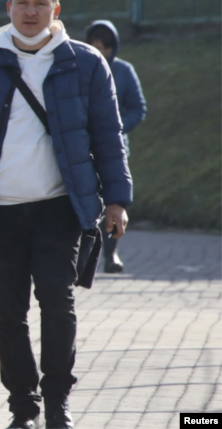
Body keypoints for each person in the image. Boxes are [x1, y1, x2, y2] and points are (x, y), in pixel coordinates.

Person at [0, 0, 132, 429]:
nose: (30, 11)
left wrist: (117, 200)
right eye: (21, 3)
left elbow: (109, 137)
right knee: (8, 312)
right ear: (8, 9)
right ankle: (23, 408)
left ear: (55, 11)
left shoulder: (84, 63)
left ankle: (58, 402)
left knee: (57, 301)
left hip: (58, 208)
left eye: (40, 4)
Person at [85, 19, 146, 274]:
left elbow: (137, 108)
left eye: (105, 47)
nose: (100, 51)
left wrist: (117, 129)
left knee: (113, 201)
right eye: (95, 46)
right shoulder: (79, 68)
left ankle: (111, 254)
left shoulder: (124, 71)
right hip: (83, 148)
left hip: (114, 149)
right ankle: (83, 257)